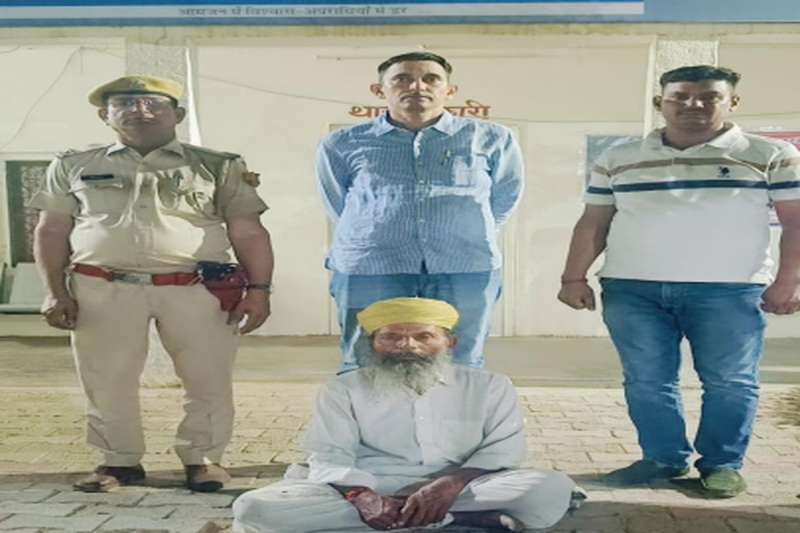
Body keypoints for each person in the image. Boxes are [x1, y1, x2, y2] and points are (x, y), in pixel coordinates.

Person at [558, 65, 800, 498]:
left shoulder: (769, 154)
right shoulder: (619, 157)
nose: (694, 104)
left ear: (732, 102)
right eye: (681, 96)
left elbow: (795, 222)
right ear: (660, 102)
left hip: (729, 290)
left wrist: (789, 280)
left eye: (709, 96)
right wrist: (573, 276)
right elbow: (594, 220)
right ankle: (662, 458)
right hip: (633, 289)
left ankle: (722, 464)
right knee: (646, 380)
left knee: (731, 381)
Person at [31, 75, 275, 493]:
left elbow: (248, 231)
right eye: (125, 102)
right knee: (106, 377)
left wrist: (259, 290)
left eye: (154, 103)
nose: (139, 110)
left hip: (197, 288)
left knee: (207, 376)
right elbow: (51, 230)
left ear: (177, 114)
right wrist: (55, 291)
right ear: (104, 115)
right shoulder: (73, 165)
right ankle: (118, 460)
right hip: (101, 287)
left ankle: (203, 458)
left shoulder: (218, 165)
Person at [232, 297, 577, 533]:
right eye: (391, 337)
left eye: (424, 336)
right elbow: (329, 455)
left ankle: (414, 515)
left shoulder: (490, 386)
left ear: (449, 343)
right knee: (255, 508)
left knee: (549, 489)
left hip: (463, 485)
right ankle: (457, 519)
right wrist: (363, 497)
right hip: (367, 484)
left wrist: (448, 485)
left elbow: (504, 451)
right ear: (373, 343)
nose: (407, 346)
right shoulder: (343, 389)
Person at [316, 51, 524, 373]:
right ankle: (366, 409)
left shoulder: (493, 138)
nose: (417, 86)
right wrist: (379, 229)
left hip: (466, 265)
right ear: (379, 90)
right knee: (364, 360)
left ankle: (454, 409)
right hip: (371, 266)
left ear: (449, 90)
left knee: (462, 360)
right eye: (402, 79)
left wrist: (461, 231)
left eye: (430, 79)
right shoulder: (342, 142)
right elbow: (338, 203)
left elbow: (505, 196)